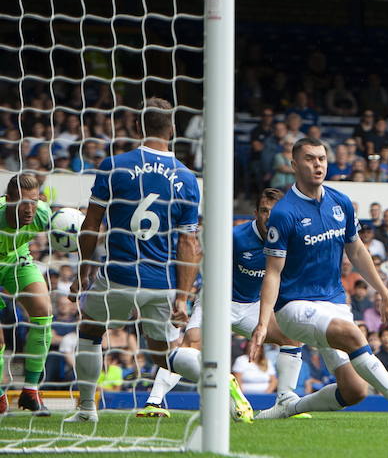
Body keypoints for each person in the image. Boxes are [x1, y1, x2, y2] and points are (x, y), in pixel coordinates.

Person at [66, 99, 251, 423]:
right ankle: (220, 382)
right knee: (162, 353)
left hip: (119, 275)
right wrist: (183, 295)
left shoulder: (114, 165)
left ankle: (86, 410)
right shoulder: (187, 177)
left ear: (138, 127)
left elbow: (92, 224)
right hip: (162, 282)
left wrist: (83, 271)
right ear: (173, 129)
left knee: (90, 331)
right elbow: (189, 242)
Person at [248, 137, 388, 421]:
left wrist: (382, 289)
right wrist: (264, 323)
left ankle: (290, 408)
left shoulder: (341, 202)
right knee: (351, 334)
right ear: (294, 165)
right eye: (310, 159)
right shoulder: (284, 213)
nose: (317, 164)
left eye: (322, 159)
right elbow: (272, 272)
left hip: (333, 303)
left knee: (354, 390)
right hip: (294, 307)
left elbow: (357, 249)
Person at [140, 189, 306, 420]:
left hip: (251, 306)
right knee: (191, 345)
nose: (269, 217)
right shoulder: (236, 237)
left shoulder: (287, 239)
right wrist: (184, 297)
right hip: (218, 300)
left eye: (275, 212)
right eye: (265, 211)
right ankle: (154, 402)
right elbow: (197, 255)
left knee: (292, 337)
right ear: (256, 213)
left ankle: (286, 401)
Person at [0, 174, 54, 414]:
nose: (29, 208)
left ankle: (31, 391)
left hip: (16, 258)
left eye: (33, 201)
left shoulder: (43, 214)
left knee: (44, 312)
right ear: (8, 199)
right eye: (23, 202)